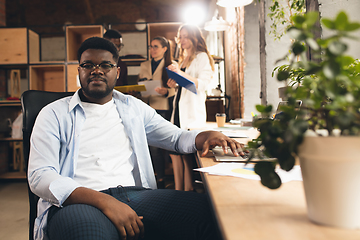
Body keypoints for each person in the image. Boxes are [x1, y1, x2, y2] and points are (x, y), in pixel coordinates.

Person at [28, 37, 244, 240]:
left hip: (136, 196)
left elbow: (176, 138)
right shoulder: (54, 114)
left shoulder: (133, 107)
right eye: (88, 65)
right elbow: (39, 175)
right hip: (78, 202)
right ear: (79, 71)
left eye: (105, 65)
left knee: (215, 214)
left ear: (117, 71)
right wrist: (105, 201)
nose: (96, 71)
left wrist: (205, 136)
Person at [167, 24, 215, 191]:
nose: (182, 40)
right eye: (180, 36)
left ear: (195, 37)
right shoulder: (183, 59)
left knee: (189, 156)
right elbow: (185, 84)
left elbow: (201, 85)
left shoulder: (201, 57)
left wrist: (179, 74)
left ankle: (188, 191)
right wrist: (174, 83)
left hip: (192, 112)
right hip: (179, 111)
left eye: (186, 36)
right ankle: (182, 191)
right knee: (180, 154)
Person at [138, 36, 175, 188]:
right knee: (147, 145)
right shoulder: (144, 64)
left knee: (158, 145)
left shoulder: (171, 65)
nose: (152, 50)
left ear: (165, 49)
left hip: (163, 107)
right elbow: (141, 85)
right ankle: (155, 178)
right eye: (151, 47)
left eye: (156, 46)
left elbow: (176, 88)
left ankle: (161, 178)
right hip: (146, 106)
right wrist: (142, 85)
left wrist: (166, 91)